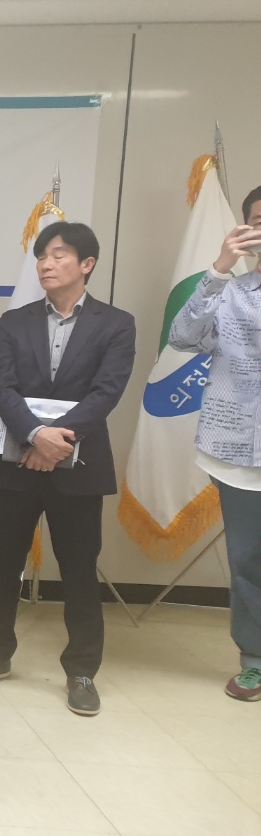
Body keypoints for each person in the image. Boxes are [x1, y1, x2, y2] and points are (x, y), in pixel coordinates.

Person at [0, 221, 136, 716]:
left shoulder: (116, 323)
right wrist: (35, 435)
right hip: (16, 461)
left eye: (58, 255)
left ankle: (81, 670)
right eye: (41, 256)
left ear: (87, 264)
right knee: (3, 564)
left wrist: (57, 440)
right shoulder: (13, 322)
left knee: (79, 568)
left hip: (79, 468)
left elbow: (107, 391)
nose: (46, 264)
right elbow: (2, 386)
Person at [168, 186, 261, 701]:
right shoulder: (230, 292)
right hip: (238, 454)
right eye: (258, 220)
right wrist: (220, 268)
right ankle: (255, 660)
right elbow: (182, 336)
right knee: (249, 563)